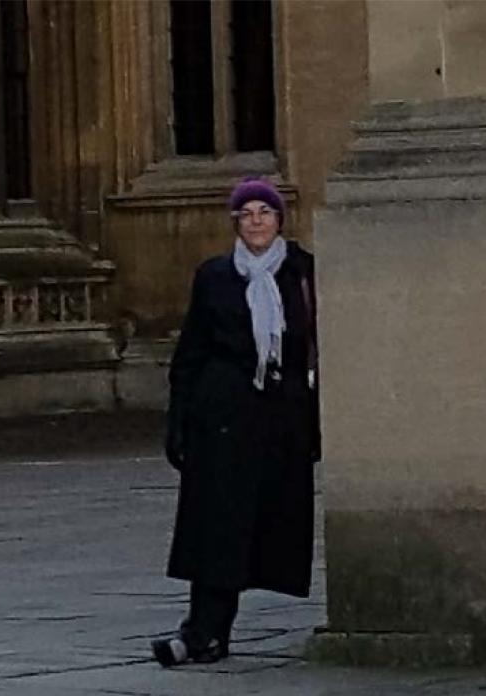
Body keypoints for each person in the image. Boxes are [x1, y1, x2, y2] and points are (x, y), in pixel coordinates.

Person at [151, 177, 321, 667]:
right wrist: (180, 420)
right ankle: (202, 632)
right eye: (246, 214)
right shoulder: (215, 276)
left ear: (279, 220)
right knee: (215, 530)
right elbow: (191, 353)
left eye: (264, 213)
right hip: (222, 421)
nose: (255, 222)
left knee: (269, 526)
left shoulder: (304, 273)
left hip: (279, 420)